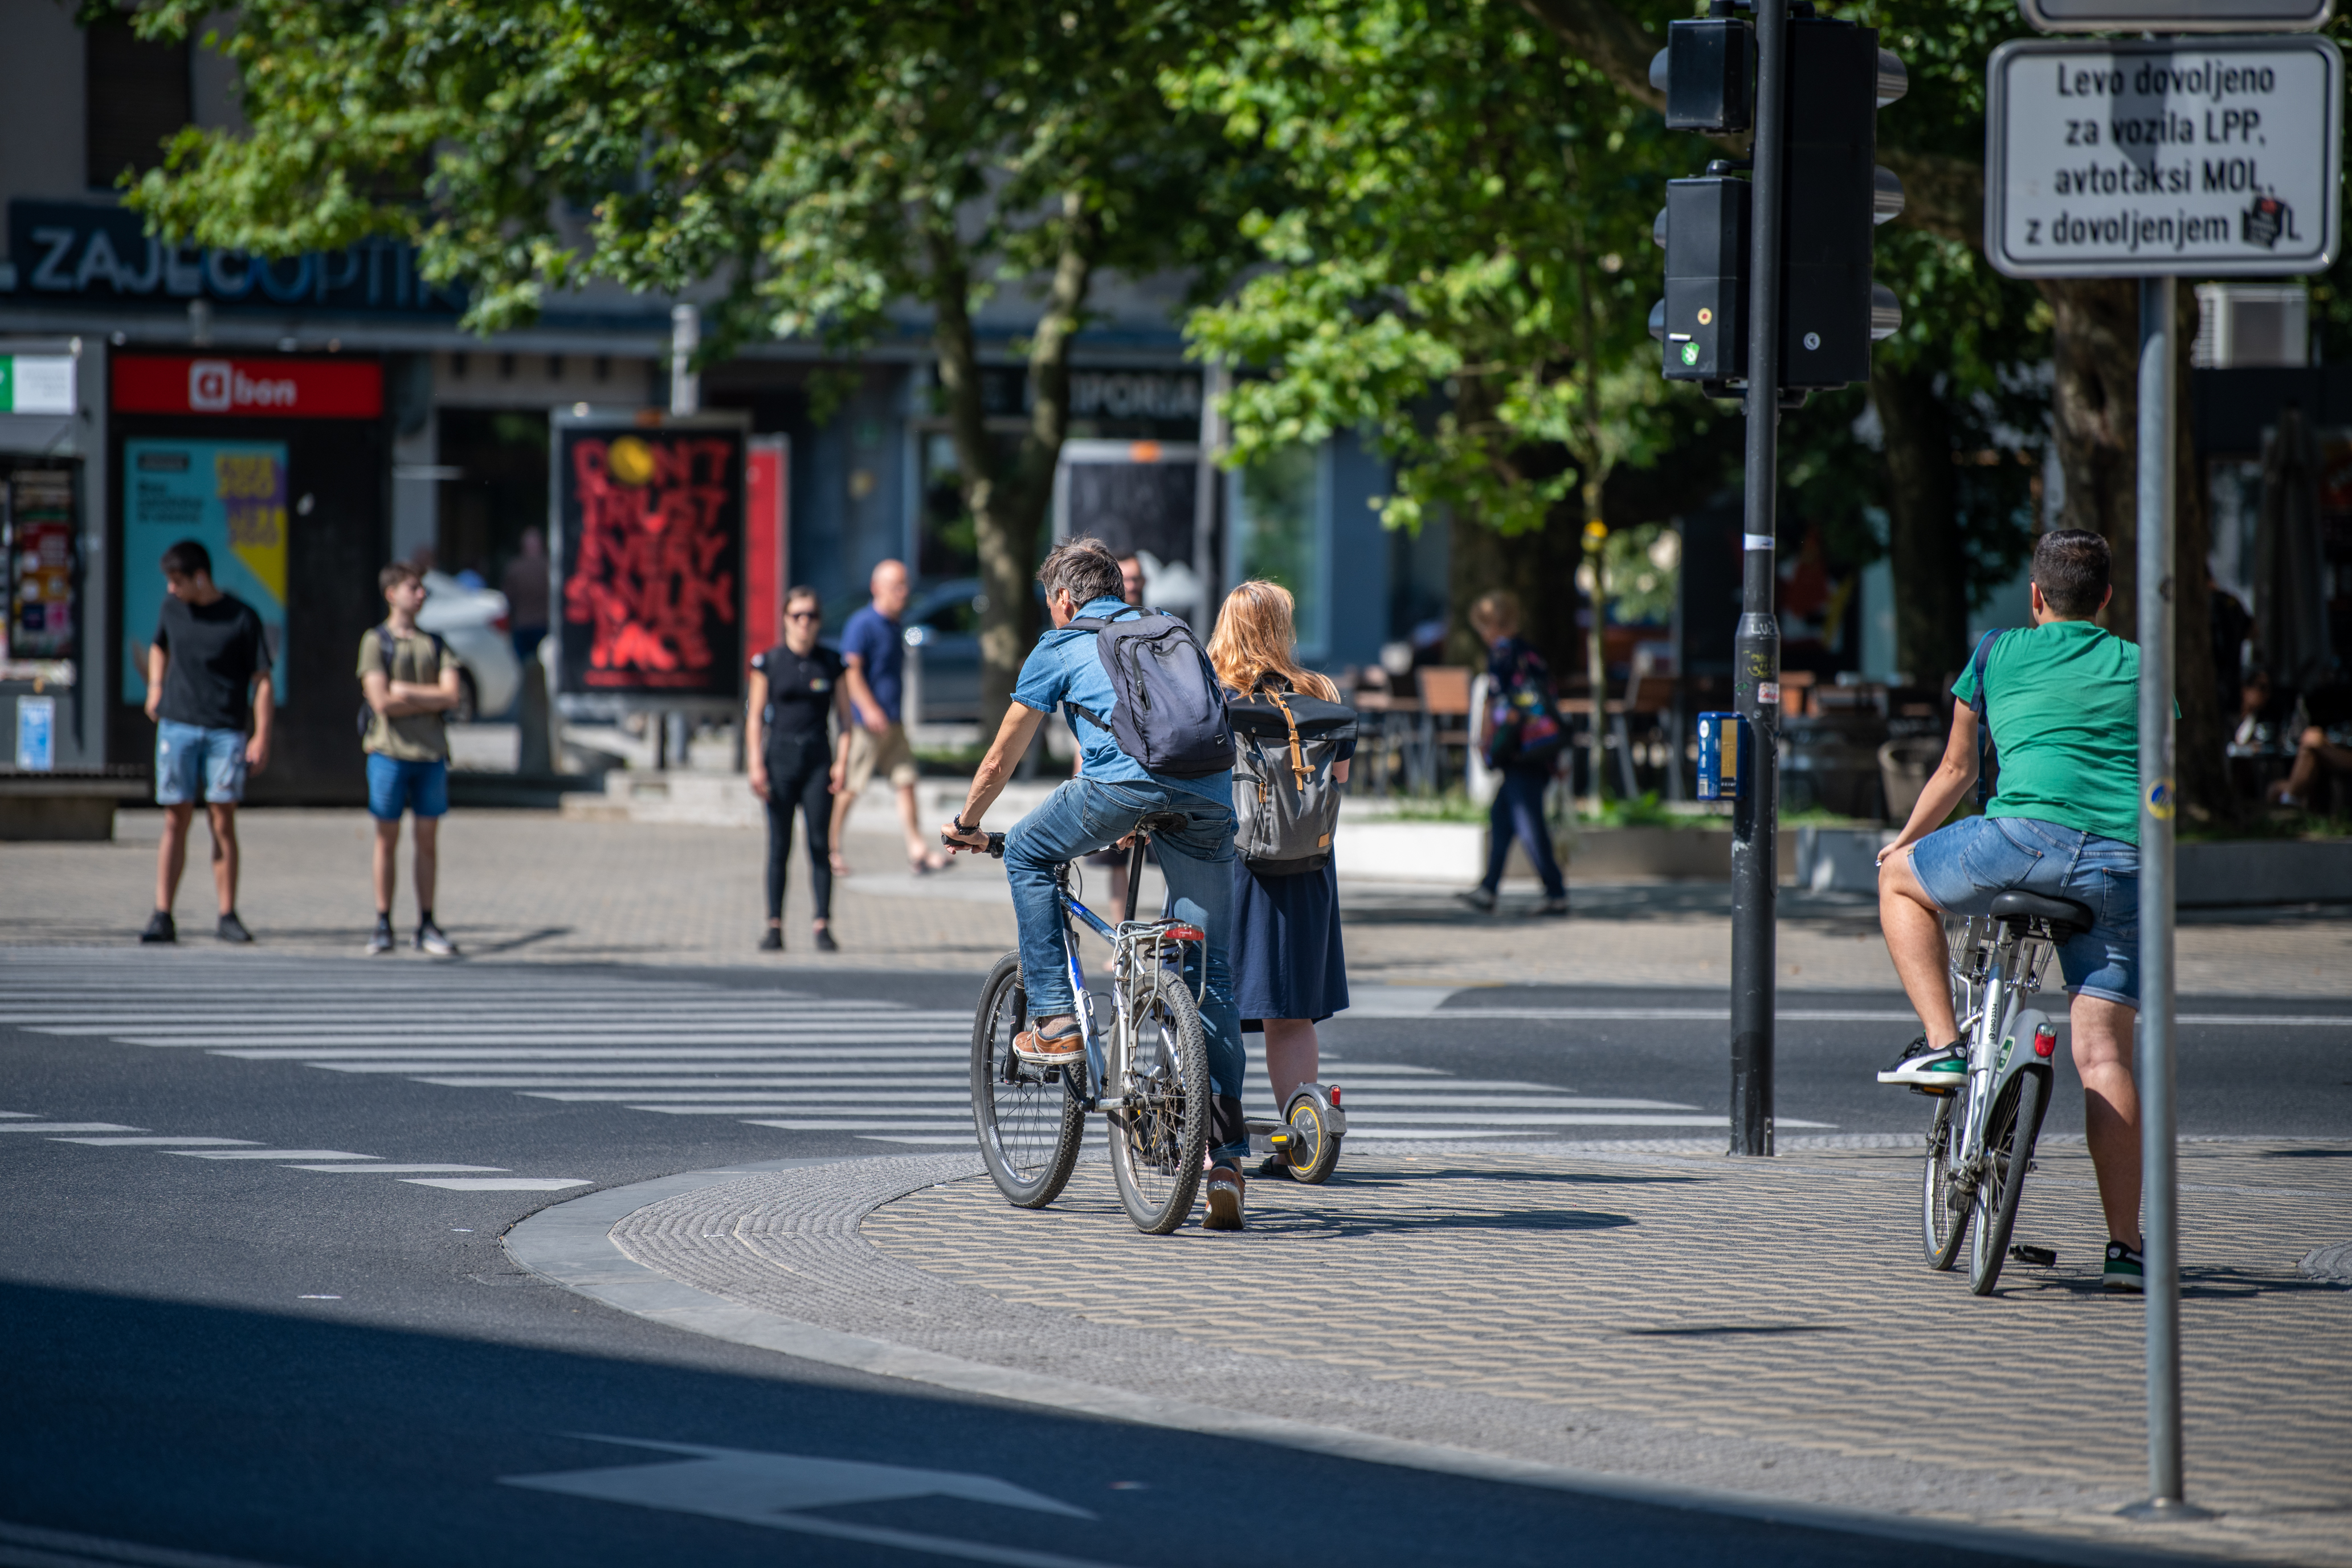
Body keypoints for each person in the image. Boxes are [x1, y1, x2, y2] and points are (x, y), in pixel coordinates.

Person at [941, 538, 1253, 1230]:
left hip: (1121, 787)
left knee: (1025, 851)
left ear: (1063, 599)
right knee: (1211, 974)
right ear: (1119, 587)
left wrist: (968, 821)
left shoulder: (1060, 642)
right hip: (1207, 796)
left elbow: (1002, 755)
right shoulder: (1172, 632)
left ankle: (1053, 1020)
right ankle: (1227, 1158)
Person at [1873, 529, 2148, 1292]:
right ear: (2107, 600)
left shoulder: (1997, 651)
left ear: (2036, 598)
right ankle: (2125, 1249)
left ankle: (1943, 1045)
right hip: (2121, 866)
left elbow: (1959, 770)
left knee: (1900, 881)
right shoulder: (2142, 666)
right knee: (2105, 1059)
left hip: (2018, 846)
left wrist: (1901, 844)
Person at [1207, 581, 1353, 1177]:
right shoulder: (1321, 693)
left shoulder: (1214, 693)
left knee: (1211, 1002)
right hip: (1308, 865)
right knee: (1289, 1012)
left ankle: (1217, 1139)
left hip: (1235, 864)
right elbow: (1338, 777)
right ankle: (1300, 1135)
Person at [140, 540, 273, 945]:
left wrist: (262, 735)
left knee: (222, 821)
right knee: (174, 819)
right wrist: (156, 686)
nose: (171, 589)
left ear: (201, 577)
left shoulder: (242, 618)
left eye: (177, 581)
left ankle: (227, 915)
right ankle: (163, 914)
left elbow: (262, 680)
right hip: (177, 726)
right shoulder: (171, 611)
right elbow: (158, 647)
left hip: (224, 731)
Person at [358, 562, 464, 957]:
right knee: (386, 840)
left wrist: (405, 690)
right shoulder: (376, 641)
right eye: (413, 588)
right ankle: (383, 921)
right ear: (392, 594)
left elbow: (452, 695)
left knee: (427, 842)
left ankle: (426, 922)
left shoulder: (436, 643)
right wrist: (425, 696)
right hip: (388, 754)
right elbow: (381, 701)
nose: (421, 595)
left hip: (430, 755)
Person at [746, 585, 851, 953]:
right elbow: (756, 717)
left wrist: (842, 762)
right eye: (797, 616)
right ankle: (774, 925)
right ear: (785, 619)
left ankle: (822, 924)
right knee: (779, 845)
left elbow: (844, 718)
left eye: (811, 616)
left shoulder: (832, 663)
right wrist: (755, 764)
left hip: (817, 759)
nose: (804, 623)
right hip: (779, 759)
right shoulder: (769, 663)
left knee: (819, 844)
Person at [832, 559, 948, 876]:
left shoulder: (896, 624)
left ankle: (918, 851)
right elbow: (851, 671)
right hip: (864, 725)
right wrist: (868, 709)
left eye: (905, 585)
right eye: (897, 586)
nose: (904, 592)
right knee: (849, 787)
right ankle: (830, 850)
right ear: (877, 588)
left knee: (906, 782)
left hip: (892, 722)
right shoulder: (862, 624)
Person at [1458, 591, 1569, 917]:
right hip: (1539, 748)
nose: (1482, 633)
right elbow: (1546, 701)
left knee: (1530, 824)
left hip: (1521, 752)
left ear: (1493, 624)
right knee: (1502, 818)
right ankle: (1488, 890)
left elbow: (1496, 702)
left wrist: (1485, 741)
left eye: (1483, 625)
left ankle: (1556, 893)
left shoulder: (1502, 654)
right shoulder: (1530, 652)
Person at [1080, 550, 1150, 920]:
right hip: (1112, 762)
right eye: (1129, 578)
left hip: (1155, 761)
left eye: (1139, 578)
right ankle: (1122, 940)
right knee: (1116, 862)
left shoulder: (1157, 625)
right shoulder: (1097, 631)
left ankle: (1169, 947)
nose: (1135, 585)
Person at [501, 527, 552, 660]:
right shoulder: (551, 567)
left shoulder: (515, 567)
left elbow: (507, 598)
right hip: (538, 624)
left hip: (525, 624)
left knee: (521, 666)